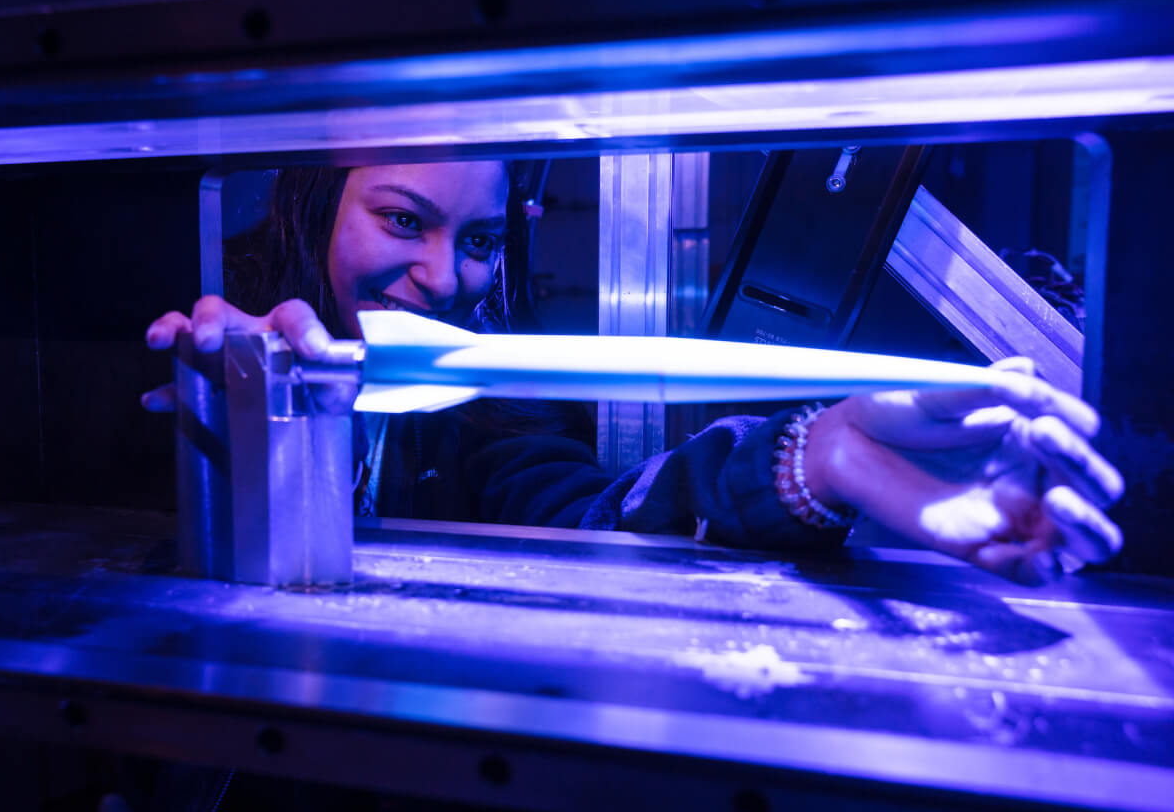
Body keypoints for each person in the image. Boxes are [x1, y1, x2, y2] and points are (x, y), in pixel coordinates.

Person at [143, 160, 1125, 585]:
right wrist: (234, 388)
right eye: (403, 220)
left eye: (479, 239)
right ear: (312, 208)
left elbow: (591, 521)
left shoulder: (485, 386)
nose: (445, 278)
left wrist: (828, 455)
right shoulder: (207, 310)